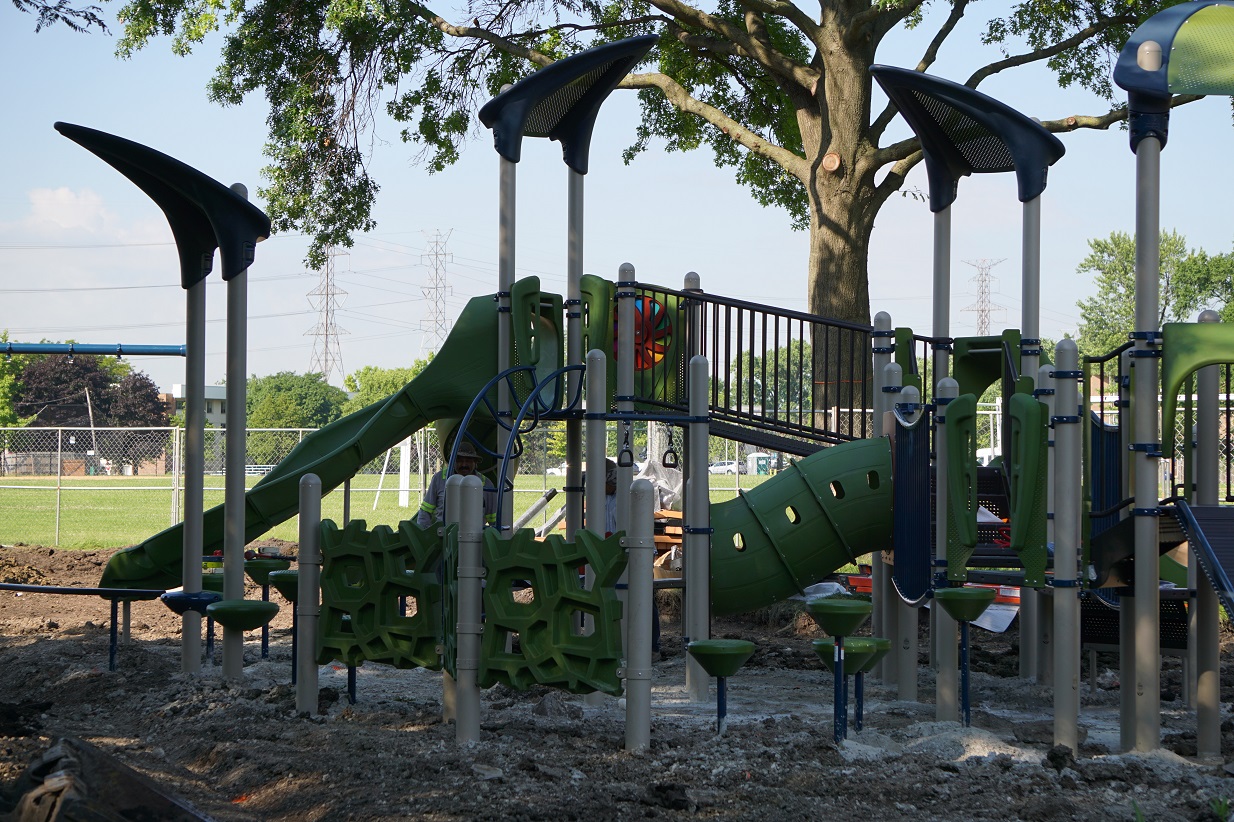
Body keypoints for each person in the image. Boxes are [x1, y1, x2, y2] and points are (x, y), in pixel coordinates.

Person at [415, 439, 498, 529]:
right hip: (444, 537)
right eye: (459, 460)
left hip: (474, 538)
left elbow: (494, 519)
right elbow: (425, 512)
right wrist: (426, 536)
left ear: (475, 462)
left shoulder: (486, 484)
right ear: (452, 461)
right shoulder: (439, 479)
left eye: (468, 460)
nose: (464, 464)